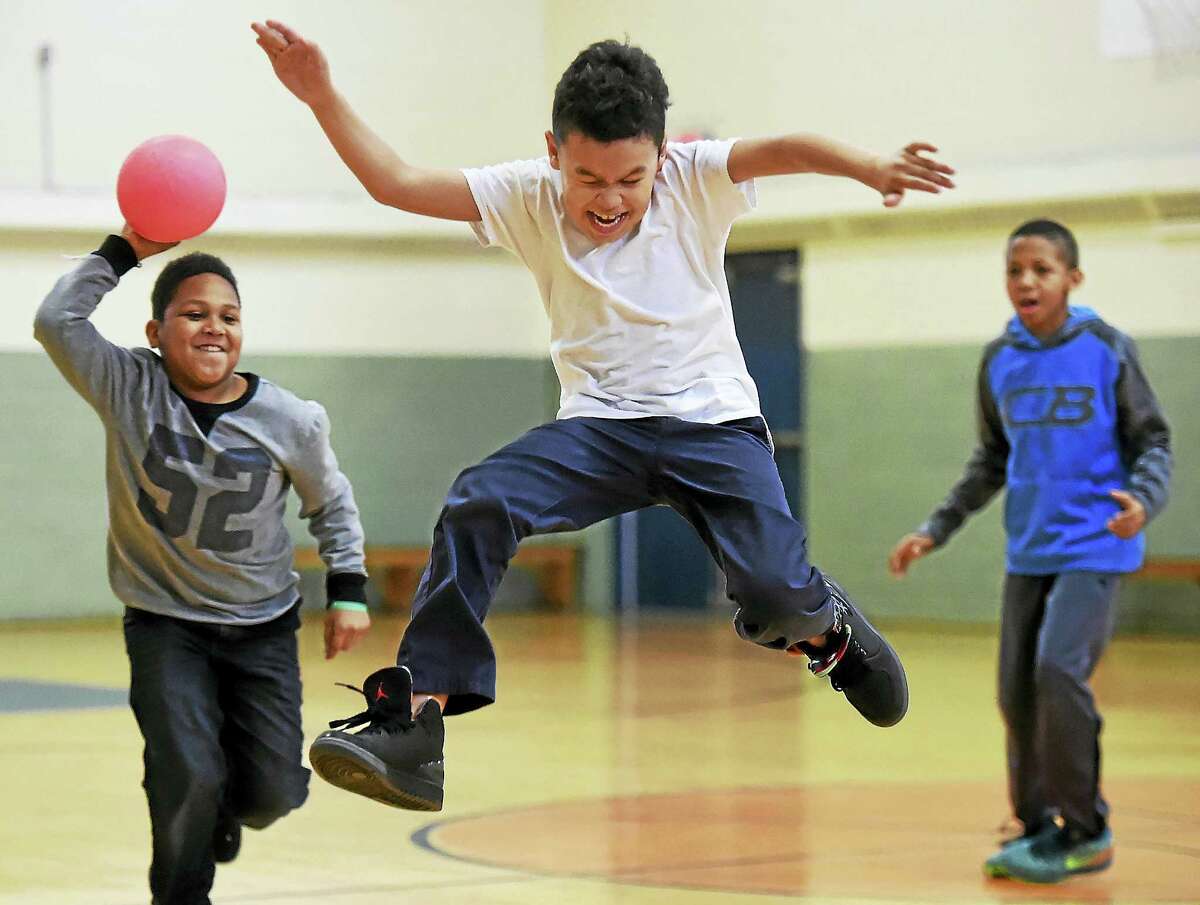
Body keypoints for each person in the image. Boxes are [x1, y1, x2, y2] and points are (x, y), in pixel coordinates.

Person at [252, 19, 957, 812]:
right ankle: (415, 724)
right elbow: (396, 181)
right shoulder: (524, 195)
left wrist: (869, 166)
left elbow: (785, 146)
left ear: (662, 154)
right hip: (600, 430)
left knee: (772, 589)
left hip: (714, 427)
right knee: (480, 498)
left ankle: (824, 629)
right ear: (555, 152)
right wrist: (320, 95)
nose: (612, 199)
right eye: (590, 178)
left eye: (632, 178)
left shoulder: (695, 178)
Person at [33, 226, 373, 905]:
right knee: (186, 770)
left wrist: (349, 589)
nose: (214, 327)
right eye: (194, 313)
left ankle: (222, 807)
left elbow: (331, 502)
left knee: (273, 792)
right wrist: (125, 248)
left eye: (229, 315)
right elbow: (54, 320)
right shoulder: (127, 384)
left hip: (263, 627)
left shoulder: (290, 419)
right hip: (165, 623)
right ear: (156, 332)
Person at [888, 219, 1172, 884]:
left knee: (1057, 671)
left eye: (1042, 269)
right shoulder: (1000, 360)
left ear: (1072, 278)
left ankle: (1088, 827)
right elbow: (991, 457)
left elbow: (1153, 439)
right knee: (1016, 692)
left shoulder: (1107, 348)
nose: (1025, 281)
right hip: (1031, 550)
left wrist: (1144, 500)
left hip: (1097, 547)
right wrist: (937, 527)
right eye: (1015, 270)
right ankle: (1039, 822)